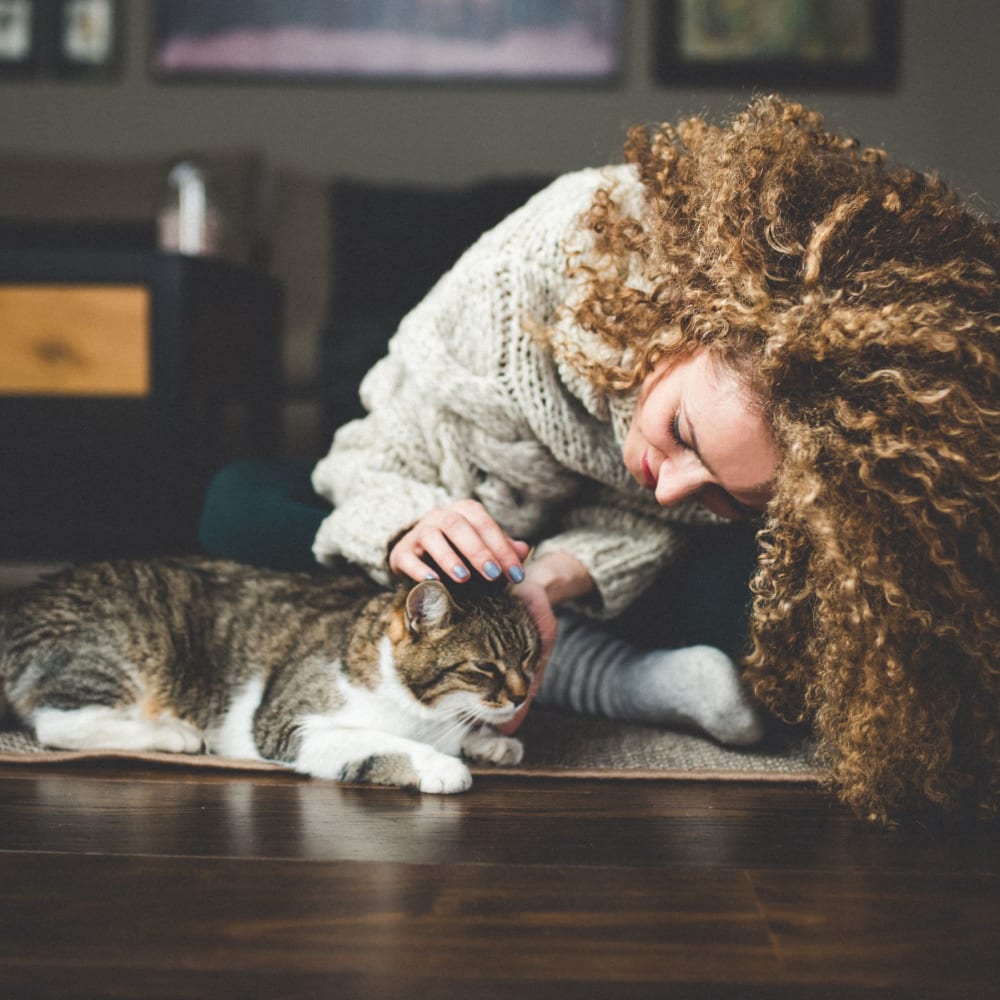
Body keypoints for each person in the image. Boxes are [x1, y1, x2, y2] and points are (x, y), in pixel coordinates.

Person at [201, 96, 999, 823]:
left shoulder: (739, 469)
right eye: (683, 433)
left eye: (732, 490)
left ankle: (604, 655)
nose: (675, 485)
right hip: (453, 560)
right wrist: (415, 525)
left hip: (573, 582)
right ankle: (626, 680)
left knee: (761, 605)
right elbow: (369, 455)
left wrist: (554, 579)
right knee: (239, 506)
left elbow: (664, 522)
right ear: (693, 317)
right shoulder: (538, 271)